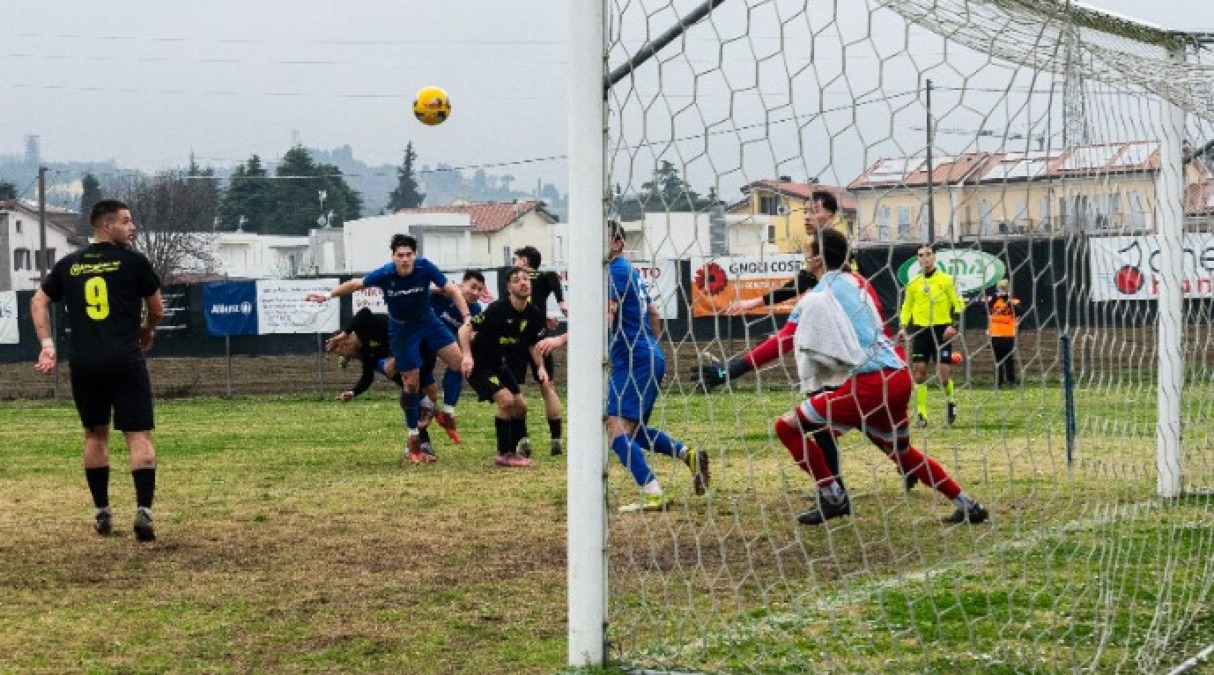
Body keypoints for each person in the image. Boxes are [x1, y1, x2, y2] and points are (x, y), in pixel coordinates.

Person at [773, 228, 988, 526]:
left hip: (870, 382)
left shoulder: (819, 296)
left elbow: (785, 339)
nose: (804, 257)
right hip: (897, 376)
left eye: (807, 252)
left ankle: (833, 496)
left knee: (786, 427)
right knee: (902, 453)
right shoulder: (858, 283)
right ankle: (967, 504)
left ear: (818, 259)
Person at [30, 199, 164, 542]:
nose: (132, 227)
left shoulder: (69, 264)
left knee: (94, 435)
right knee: (138, 435)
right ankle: (144, 511)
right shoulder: (133, 261)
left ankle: (102, 512)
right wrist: (147, 329)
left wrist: (47, 345)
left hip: (85, 363)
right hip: (125, 359)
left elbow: (38, 301)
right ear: (107, 226)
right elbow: (157, 309)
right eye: (126, 221)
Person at [306, 233, 472, 464]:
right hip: (402, 330)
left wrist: (466, 317)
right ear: (393, 257)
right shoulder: (385, 273)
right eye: (400, 255)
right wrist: (327, 295)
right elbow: (356, 284)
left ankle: (448, 413)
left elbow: (452, 290)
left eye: (409, 255)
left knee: (458, 362)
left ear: (415, 255)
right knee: (411, 384)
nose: (405, 259)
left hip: (428, 322)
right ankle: (413, 438)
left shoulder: (425, 267)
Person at [598, 221, 709, 511]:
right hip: (648, 356)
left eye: (601, 237)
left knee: (615, 428)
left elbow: (606, 318)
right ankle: (687, 455)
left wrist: (564, 339)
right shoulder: (630, 272)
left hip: (633, 359)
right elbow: (654, 312)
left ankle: (653, 493)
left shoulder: (614, 272)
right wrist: (651, 348)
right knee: (633, 431)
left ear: (618, 244)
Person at [693, 190, 846, 391]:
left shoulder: (830, 288)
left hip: (861, 372)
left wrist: (731, 371)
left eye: (814, 211)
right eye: (805, 211)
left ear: (831, 216)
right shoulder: (844, 283)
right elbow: (800, 283)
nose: (807, 217)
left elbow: (799, 291)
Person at [458, 267, 549, 468]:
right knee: (506, 401)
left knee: (521, 406)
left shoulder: (533, 313)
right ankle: (504, 454)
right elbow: (464, 330)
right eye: (516, 280)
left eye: (526, 279)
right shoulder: (497, 309)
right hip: (479, 365)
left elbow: (533, 344)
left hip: (498, 364)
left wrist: (540, 367)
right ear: (508, 287)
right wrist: (466, 356)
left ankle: (516, 450)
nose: (523, 283)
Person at [415, 270, 487, 446]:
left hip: (443, 346)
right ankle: (419, 441)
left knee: (459, 364)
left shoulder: (476, 310)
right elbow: (420, 292)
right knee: (422, 392)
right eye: (473, 287)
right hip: (421, 343)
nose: (476, 293)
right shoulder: (445, 295)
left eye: (480, 289)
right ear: (461, 285)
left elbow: (471, 334)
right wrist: (440, 289)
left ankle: (447, 413)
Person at [895, 244, 965, 427]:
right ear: (917, 259)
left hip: (942, 332)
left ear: (934, 257)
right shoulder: (913, 283)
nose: (924, 258)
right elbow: (907, 307)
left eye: (928, 254)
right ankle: (921, 414)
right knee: (919, 374)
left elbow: (958, 303)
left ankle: (950, 403)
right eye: (920, 255)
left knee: (943, 377)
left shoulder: (946, 280)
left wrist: (953, 325)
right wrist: (903, 327)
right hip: (921, 331)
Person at [512, 245, 567, 455]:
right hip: (539, 337)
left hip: (517, 339)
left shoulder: (516, 280)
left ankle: (523, 440)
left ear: (525, 261)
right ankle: (556, 440)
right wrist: (560, 302)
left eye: (516, 259)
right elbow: (552, 277)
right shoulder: (544, 277)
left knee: (516, 389)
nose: (515, 264)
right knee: (547, 386)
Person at [986, 278, 1022, 388]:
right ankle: (998, 382)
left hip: (1008, 333)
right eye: (1000, 288)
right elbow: (983, 311)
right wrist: (993, 300)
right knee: (997, 359)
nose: (1002, 291)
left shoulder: (1013, 300)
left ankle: (1011, 381)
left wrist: (1007, 300)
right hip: (995, 333)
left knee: (1009, 358)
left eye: (1004, 288)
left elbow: (1019, 312)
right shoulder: (994, 300)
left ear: (1008, 289)